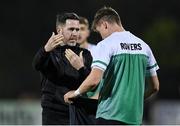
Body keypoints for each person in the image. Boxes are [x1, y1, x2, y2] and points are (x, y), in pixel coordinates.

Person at [64, 7, 160, 125]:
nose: (102, 36)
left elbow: (94, 80)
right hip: (134, 119)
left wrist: (75, 93)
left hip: (109, 116)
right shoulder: (144, 46)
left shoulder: (106, 44)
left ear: (105, 25)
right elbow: (155, 86)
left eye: (100, 32)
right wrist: (135, 101)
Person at [32, 12, 92, 125]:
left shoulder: (85, 54)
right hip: (54, 115)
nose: (75, 33)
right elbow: (36, 65)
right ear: (59, 31)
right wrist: (45, 50)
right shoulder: (49, 53)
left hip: (78, 112)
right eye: (71, 29)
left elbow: (91, 84)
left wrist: (81, 68)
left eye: (77, 29)